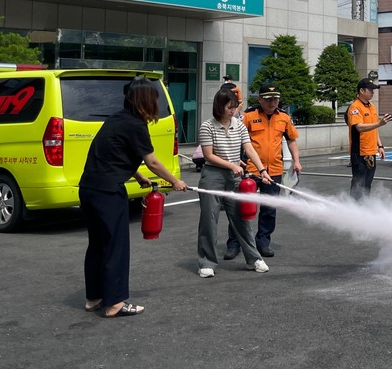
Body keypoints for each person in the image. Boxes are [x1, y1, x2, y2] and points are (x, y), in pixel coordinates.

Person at [79, 78, 188, 317]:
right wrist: (175, 181)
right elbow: (153, 161)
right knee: (115, 245)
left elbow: (116, 152)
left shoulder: (117, 118)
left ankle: (94, 297)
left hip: (89, 188)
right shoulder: (136, 125)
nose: (157, 103)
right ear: (146, 100)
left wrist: (137, 175)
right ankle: (116, 302)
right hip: (108, 192)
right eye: (155, 98)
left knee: (97, 244)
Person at [197, 88, 271, 278]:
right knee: (209, 219)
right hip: (212, 175)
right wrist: (231, 164)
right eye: (229, 108)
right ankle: (207, 262)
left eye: (235, 107)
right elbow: (208, 155)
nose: (232, 111)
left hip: (234, 177)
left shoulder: (239, 125)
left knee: (241, 218)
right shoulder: (207, 126)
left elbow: (249, 149)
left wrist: (262, 170)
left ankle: (253, 258)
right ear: (219, 107)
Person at [224, 83, 300, 260]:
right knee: (241, 207)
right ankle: (234, 244)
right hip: (249, 170)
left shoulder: (284, 118)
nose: (272, 102)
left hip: (273, 169)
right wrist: (236, 160)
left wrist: (296, 161)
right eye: (268, 99)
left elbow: (292, 140)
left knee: (269, 208)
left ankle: (263, 242)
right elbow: (235, 136)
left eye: (275, 99)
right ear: (260, 99)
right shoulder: (249, 116)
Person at [347, 78, 391, 200]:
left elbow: (374, 129)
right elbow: (359, 127)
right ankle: (354, 207)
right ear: (361, 90)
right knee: (358, 182)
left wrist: (380, 146)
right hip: (359, 152)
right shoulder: (355, 108)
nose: (372, 92)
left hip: (371, 152)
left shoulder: (372, 106)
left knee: (367, 183)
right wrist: (379, 123)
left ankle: (364, 206)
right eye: (370, 90)